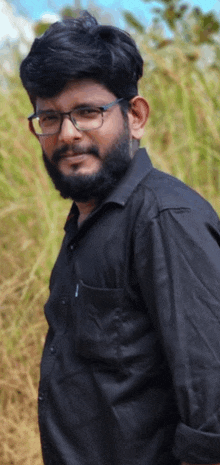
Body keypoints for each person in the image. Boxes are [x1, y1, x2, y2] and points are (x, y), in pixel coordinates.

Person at [20, 10, 220, 465]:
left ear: (135, 115)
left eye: (88, 112)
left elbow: (213, 406)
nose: (68, 134)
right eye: (49, 117)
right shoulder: (86, 223)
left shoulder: (167, 220)